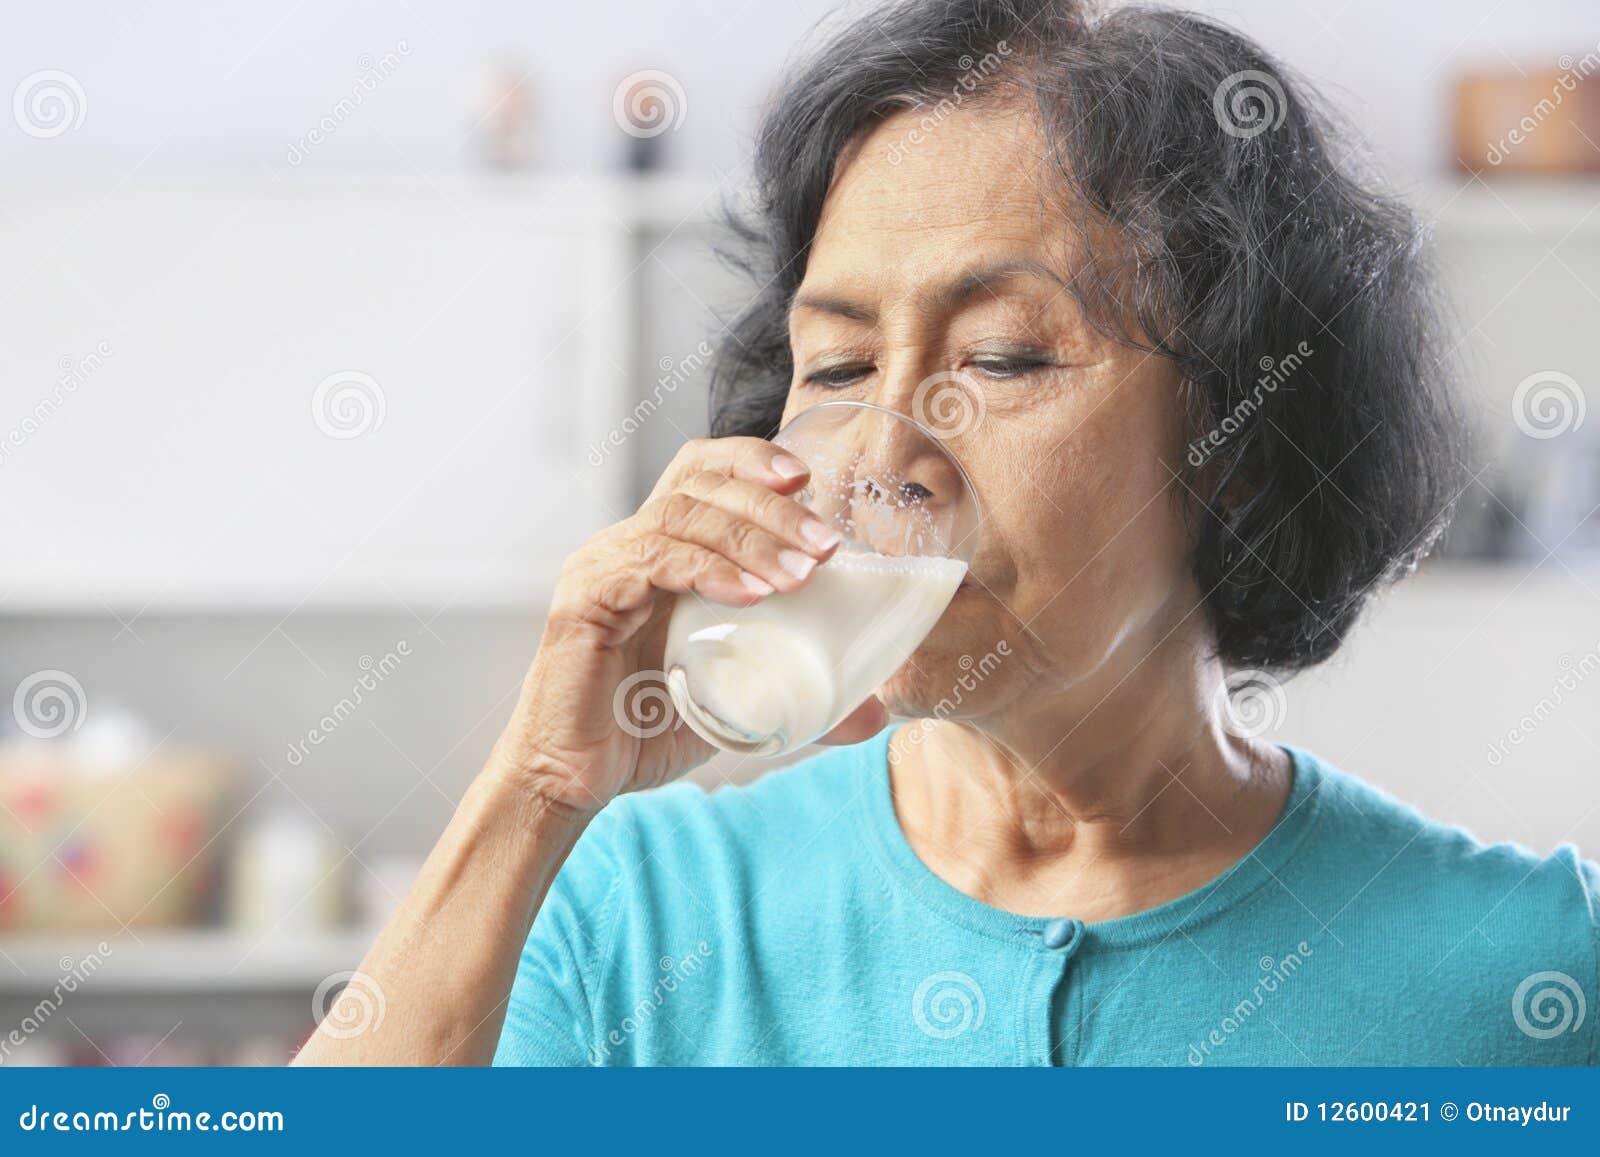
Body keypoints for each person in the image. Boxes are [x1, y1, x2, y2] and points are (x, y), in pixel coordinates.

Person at [296, 0, 1599, 1066]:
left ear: (1242, 448)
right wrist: (535, 790)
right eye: (842, 366)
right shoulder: (639, 909)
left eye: (1007, 354)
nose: (881, 450)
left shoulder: (1529, 969)